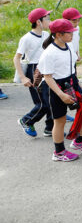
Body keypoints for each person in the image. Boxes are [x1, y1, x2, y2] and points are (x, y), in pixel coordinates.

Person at [39, 19, 82, 162]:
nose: (72, 35)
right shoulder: (49, 53)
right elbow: (48, 77)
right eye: (69, 33)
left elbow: (71, 67)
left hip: (71, 82)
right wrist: (61, 94)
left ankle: (79, 141)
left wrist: (78, 84)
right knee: (60, 121)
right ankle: (59, 152)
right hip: (55, 88)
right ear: (58, 34)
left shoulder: (69, 46)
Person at [15, 8, 54, 137]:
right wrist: (23, 77)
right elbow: (16, 58)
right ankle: (26, 120)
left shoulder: (45, 35)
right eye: (47, 18)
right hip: (34, 71)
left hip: (46, 69)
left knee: (51, 99)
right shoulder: (26, 38)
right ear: (38, 21)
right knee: (43, 103)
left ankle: (50, 127)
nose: (50, 21)